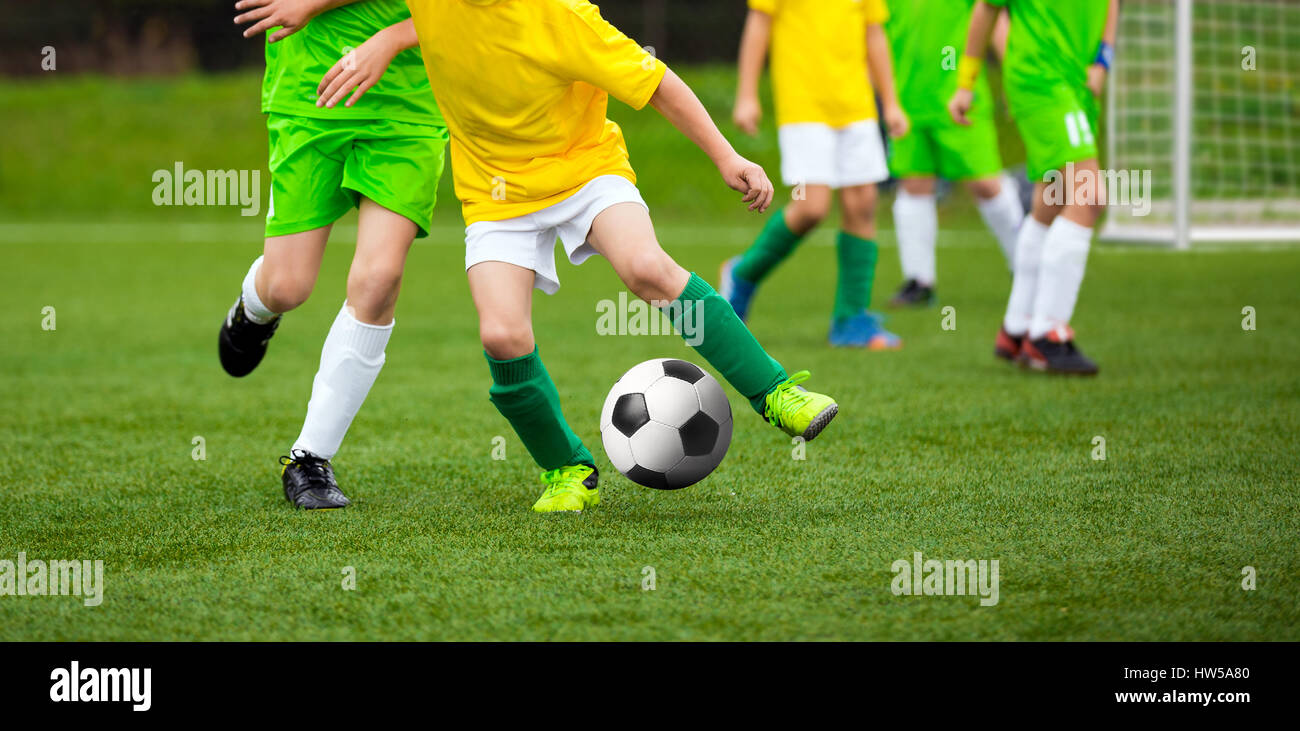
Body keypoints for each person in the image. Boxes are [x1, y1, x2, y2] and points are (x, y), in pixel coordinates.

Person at [318, 0, 840, 513]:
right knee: (502, 336)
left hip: (585, 170)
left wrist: (726, 155)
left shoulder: (561, 15)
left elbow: (656, 82)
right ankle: (568, 469)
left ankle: (775, 392)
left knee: (645, 268)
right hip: (495, 194)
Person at [220, 0, 449, 509]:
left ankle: (309, 459)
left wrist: (389, 38)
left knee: (379, 277)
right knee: (288, 287)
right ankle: (255, 307)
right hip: (310, 91)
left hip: (407, 107)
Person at [722, 0, 909, 349]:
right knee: (811, 208)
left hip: (857, 104)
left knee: (863, 204)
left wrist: (891, 102)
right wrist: (747, 95)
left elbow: (874, 35)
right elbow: (759, 24)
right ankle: (742, 275)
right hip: (803, 103)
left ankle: (850, 319)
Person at [950, 0, 1119, 374]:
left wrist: (1102, 59)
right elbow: (985, 9)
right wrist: (965, 82)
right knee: (1088, 196)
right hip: (1039, 77)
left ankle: (1017, 327)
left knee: (1052, 198)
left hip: (1076, 79)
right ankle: (1046, 334)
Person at [885, 0, 1024, 308]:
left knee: (986, 184)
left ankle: (1024, 266)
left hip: (960, 98)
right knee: (914, 185)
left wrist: (1012, 77)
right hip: (908, 100)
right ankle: (919, 281)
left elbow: (995, 19)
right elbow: (876, 30)